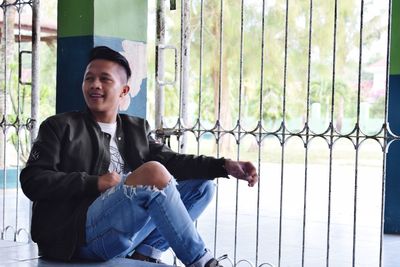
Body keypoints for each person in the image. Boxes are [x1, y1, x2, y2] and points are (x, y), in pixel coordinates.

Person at [20, 46, 258, 267]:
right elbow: (33, 180)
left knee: (202, 187)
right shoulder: (59, 127)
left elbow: (173, 162)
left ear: (123, 90)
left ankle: (146, 254)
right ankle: (202, 262)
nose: (94, 85)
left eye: (104, 79)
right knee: (152, 172)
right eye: (89, 78)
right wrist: (96, 182)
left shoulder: (136, 129)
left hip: (119, 232)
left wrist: (224, 166)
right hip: (76, 237)